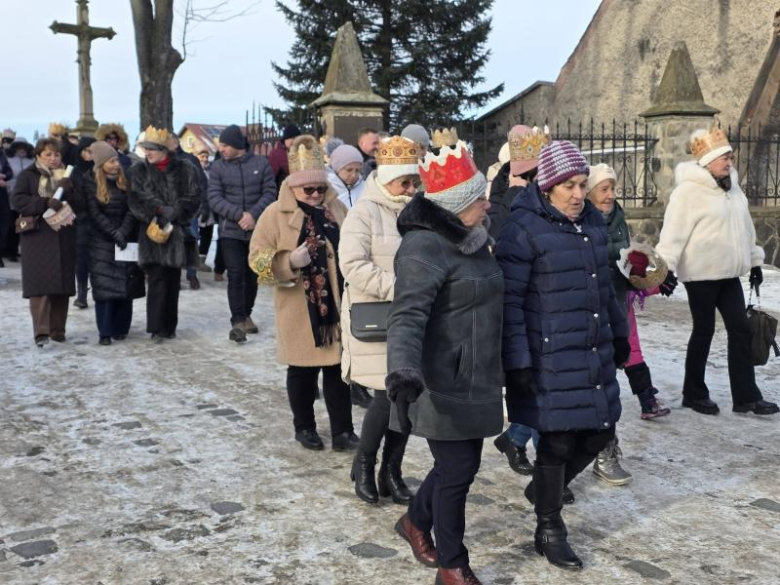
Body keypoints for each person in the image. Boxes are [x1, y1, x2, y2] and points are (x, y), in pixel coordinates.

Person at [495, 141, 630, 570]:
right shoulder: (522, 229)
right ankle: (550, 528)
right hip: (548, 355)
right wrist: (518, 361)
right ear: (548, 186)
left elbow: (604, 289)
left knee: (599, 432)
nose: (578, 194)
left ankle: (542, 490)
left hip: (591, 349)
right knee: (557, 442)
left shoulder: (592, 224)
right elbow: (510, 302)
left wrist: (620, 334)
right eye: (568, 186)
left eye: (582, 184)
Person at [387, 140, 503, 585]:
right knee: (457, 471)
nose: (487, 204)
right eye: (478, 199)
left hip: (478, 375)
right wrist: (403, 372)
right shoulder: (423, 247)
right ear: (455, 207)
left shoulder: (475, 240)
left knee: (460, 466)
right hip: (439, 379)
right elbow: (407, 315)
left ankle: (415, 520)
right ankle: (452, 565)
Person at [656, 128, 779, 416]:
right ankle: (693, 394)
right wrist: (666, 269)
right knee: (704, 330)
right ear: (708, 161)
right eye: (725, 157)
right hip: (700, 275)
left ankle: (746, 397)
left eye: (730, 157)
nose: (730, 162)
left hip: (729, 275)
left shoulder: (733, 189)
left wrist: (755, 262)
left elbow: (746, 229)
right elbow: (672, 233)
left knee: (741, 329)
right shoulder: (687, 193)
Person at [249, 135, 358, 451]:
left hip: (336, 304)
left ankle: (343, 431)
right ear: (293, 187)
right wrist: (287, 262)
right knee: (301, 371)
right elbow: (256, 258)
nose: (315, 195)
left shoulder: (337, 208)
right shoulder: (274, 214)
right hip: (298, 307)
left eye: (320, 188)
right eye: (308, 190)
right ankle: (304, 427)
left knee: (338, 371)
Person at [339, 136, 420, 505]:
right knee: (385, 398)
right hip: (377, 318)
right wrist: (400, 287)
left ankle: (392, 470)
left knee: (408, 397)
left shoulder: (417, 211)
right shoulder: (364, 213)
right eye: (405, 182)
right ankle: (364, 463)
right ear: (387, 180)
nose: (412, 188)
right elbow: (353, 266)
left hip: (411, 317)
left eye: (414, 181)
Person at [488, 125, 550, 478]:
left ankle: (517, 439)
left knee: (545, 384)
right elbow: (498, 237)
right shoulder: (504, 191)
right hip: (518, 302)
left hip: (547, 298)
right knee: (535, 383)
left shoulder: (551, 193)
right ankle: (546, 466)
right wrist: (514, 193)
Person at [127, 126, 201, 343]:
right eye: (145, 148)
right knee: (157, 279)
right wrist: (157, 210)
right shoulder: (138, 171)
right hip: (153, 232)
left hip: (177, 232)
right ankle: (156, 327)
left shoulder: (185, 168)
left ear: (163, 150)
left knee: (173, 280)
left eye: (151, 149)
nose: (147, 152)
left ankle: (169, 326)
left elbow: (194, 196)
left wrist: (177, 211)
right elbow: (134, 200)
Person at [208, 124, 277, 343]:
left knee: (253, 274)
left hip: (257, 231)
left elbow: (270, 192)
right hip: (230, 231)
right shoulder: (218, 167)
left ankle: (247, 313)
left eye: (225, 145)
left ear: (237, 145)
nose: (221, 149)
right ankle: (237, 320)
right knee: (235, 274)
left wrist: (253, 215)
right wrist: (239, 215)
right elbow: (214, 198)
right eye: (220, 145)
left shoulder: (261, 164)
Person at [10, 138, 78, 347]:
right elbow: (17, 200)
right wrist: (45, 202)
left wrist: (69, 190)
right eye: (48, 154)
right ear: (38, 156)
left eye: (56, 154)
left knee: (61, 285)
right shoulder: (28, 175)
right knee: (40, 285)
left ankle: (58, 330)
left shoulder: (68, 175)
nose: (53, 158)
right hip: (37, 236)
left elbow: (81, 204)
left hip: (63, 234)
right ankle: (41, 331)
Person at [82, 141, 144, 345]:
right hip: (101, 241)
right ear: (101, 164)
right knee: (105, 288)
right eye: (111, 161)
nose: (116, 164)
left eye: (116, 160)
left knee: (126, 285)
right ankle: (105, 331)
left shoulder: (124, 181)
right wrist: (113, 233)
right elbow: (94, 213)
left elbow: (132, 209)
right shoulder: (89, 182)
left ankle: (121, 328)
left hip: (125, 239)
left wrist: (123, 232)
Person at [72, 136, 97, 309]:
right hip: (80, 220)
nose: (90, 155)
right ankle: (81, 293)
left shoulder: (100, 169)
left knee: (98, 257)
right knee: (81, 259)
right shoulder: (73, 171)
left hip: (99, 219)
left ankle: (99, 291)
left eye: (93, 151)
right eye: (87, 151)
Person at [3, 138, 34, 262]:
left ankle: (16, 250)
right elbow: (7, 175)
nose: (21, 149)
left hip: (26, 197)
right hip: (10, 196)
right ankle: (8, 250)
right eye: (18, 147)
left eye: (23, 147)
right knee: (10, 225)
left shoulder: (31, 161)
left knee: (23, 224)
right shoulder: (8, 160)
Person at [327, 144, 366, 209]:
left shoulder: (365, 187)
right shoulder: (325, 189)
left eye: (357, 170)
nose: (353, 175)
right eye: (349, 170)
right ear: (337, 168)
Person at [268, 124, 301, 189]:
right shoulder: (275, 154)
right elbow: (271, 177)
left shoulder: (303, 152)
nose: (295, 141)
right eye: (292, 138)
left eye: (297, 138)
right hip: (284, 190)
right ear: (285, 140)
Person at [0, 146, 12, 268]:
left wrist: (4, 176)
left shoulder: (2, 156)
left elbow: (9, 171)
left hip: (2, 194)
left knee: (3, 224)